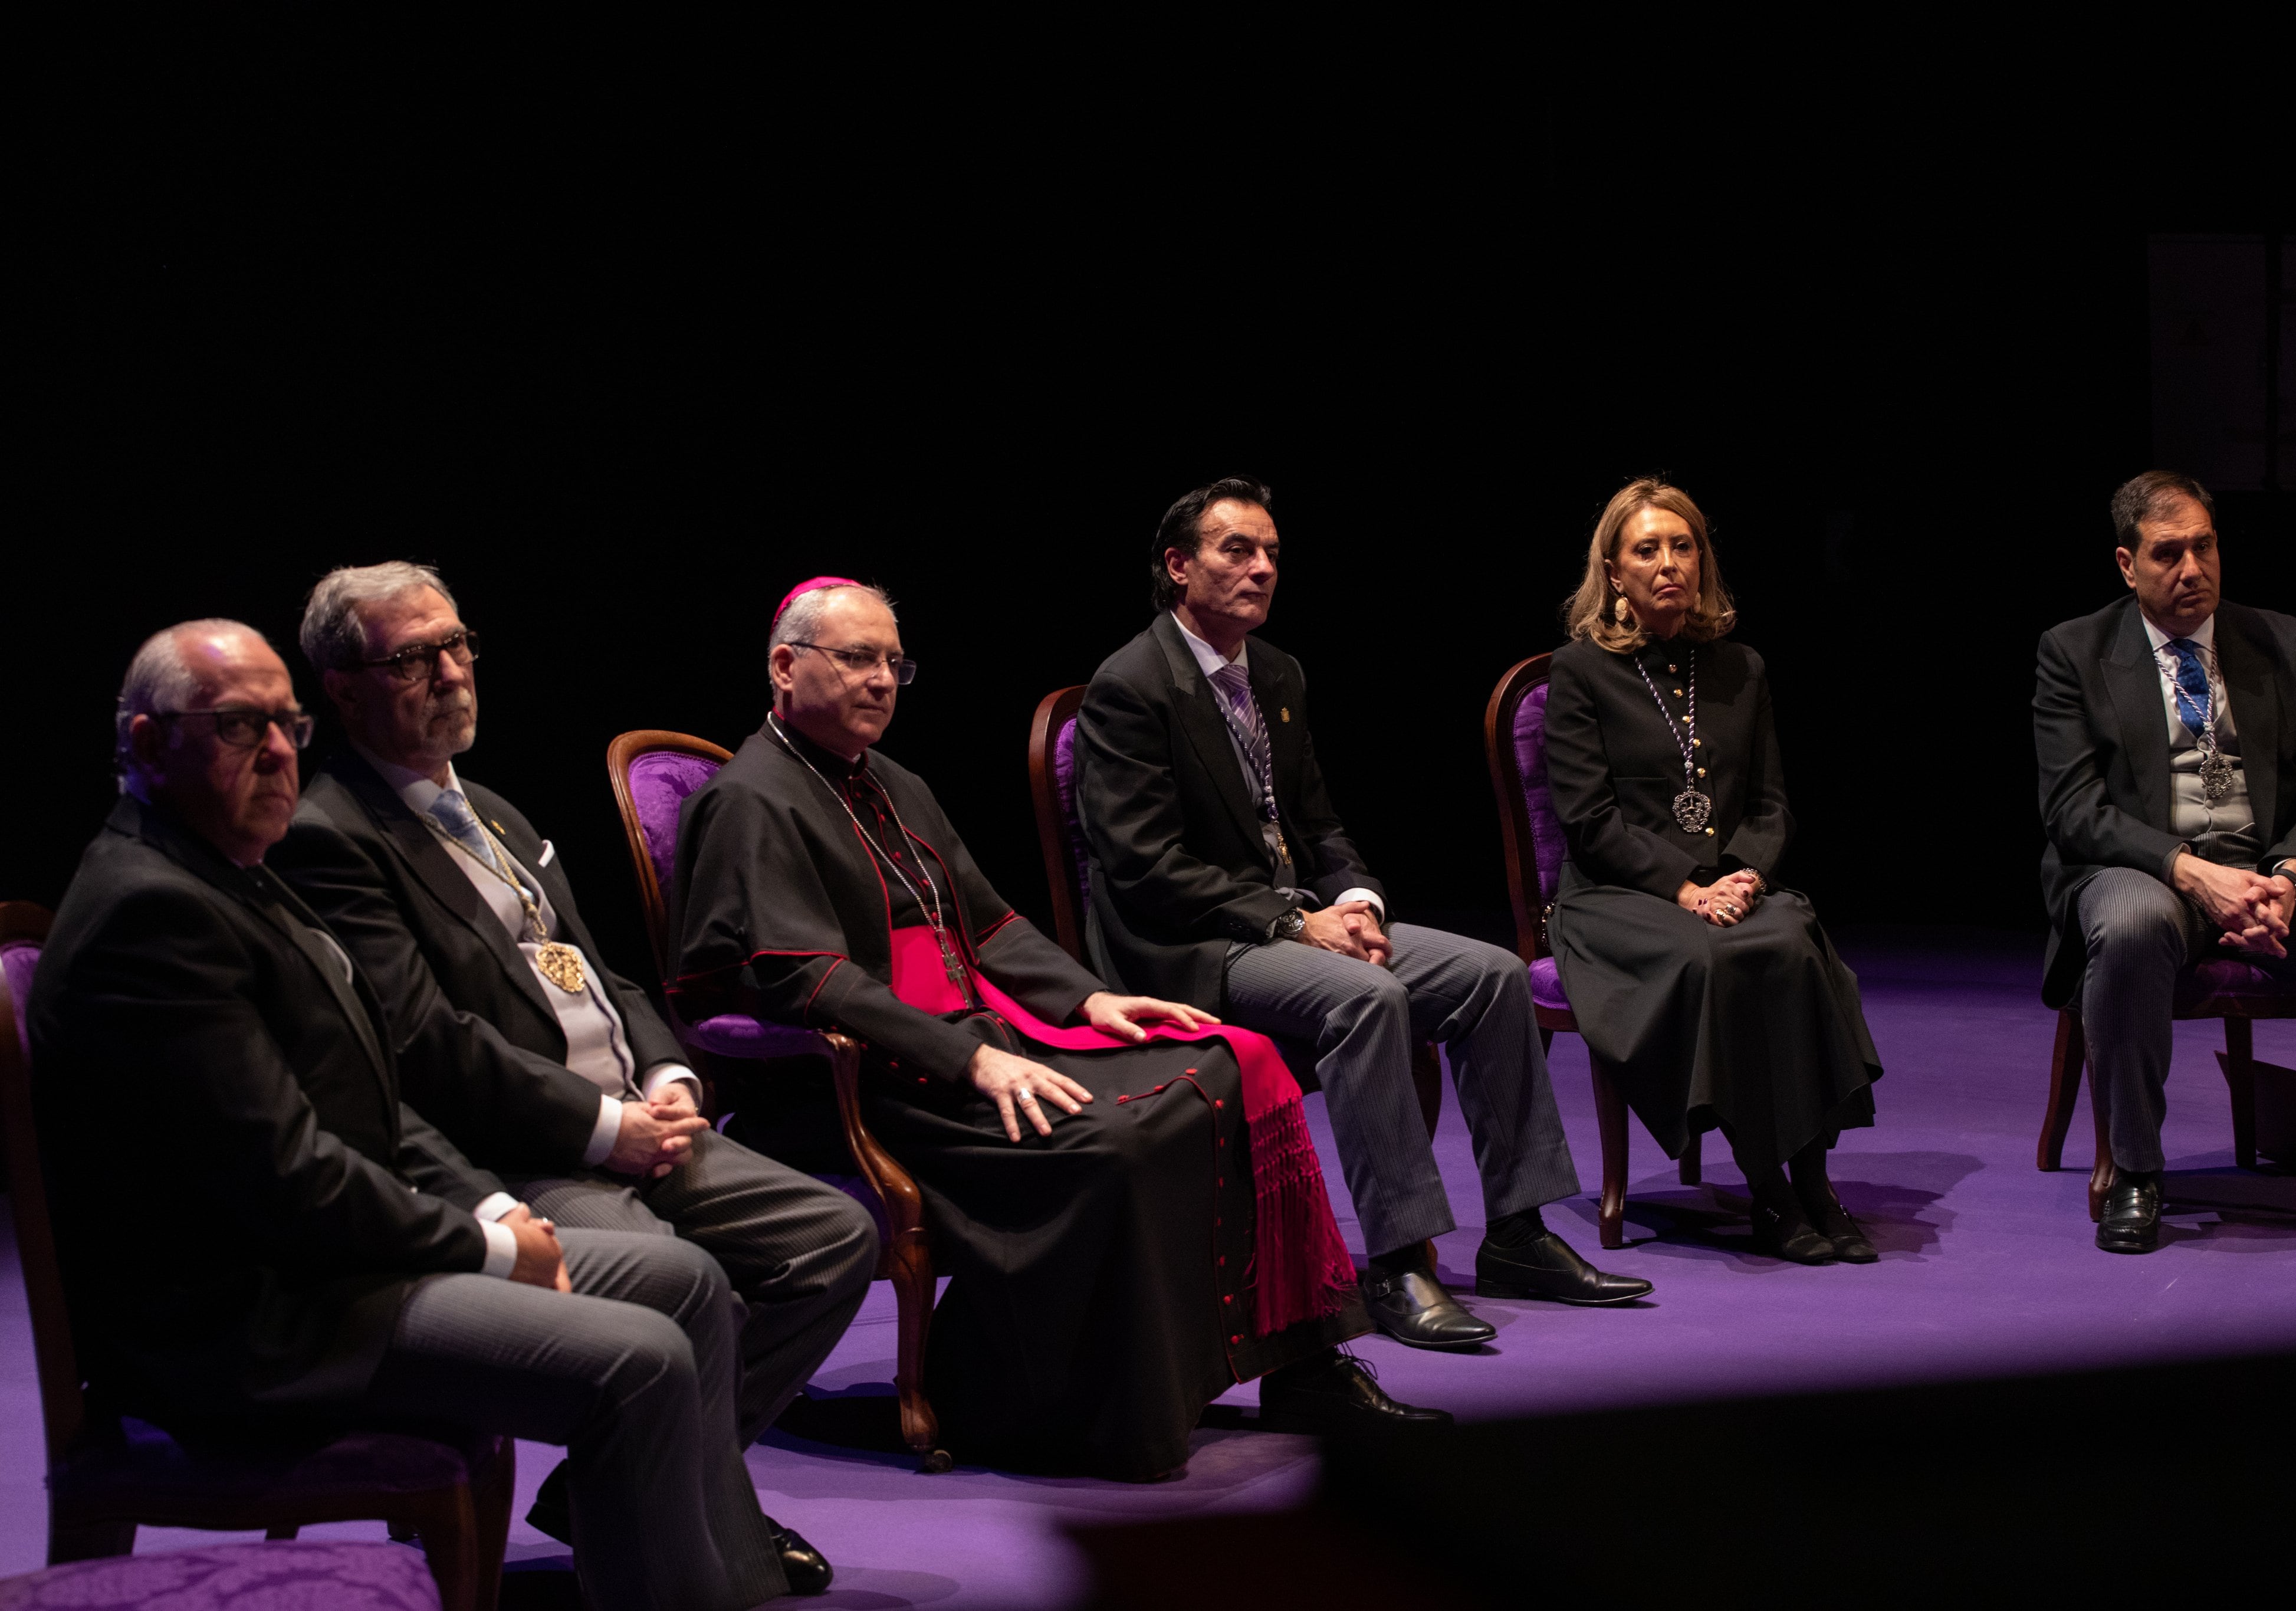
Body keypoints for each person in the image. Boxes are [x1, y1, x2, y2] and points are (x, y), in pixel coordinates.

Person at [27, 621, 795, 1611]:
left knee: (683, 1283)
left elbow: (377, 1097)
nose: (275, 751)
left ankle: (727, 1587)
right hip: (264, 1318)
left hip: (344, 1260)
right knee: (638, 1360)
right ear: (144, 744)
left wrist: (491, 1212)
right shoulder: (154, 910)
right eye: (236, 727)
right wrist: (481, 1248)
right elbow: (288, 1177)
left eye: (285, 724)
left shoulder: (231, 866)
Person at [668, 578, 1443, 1482]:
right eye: (858, 659)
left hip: (975, 1042)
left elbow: (991, 924)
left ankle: (1299, 1367)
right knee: (1116, 1141)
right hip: (868, 1085)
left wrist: (1086, 1001)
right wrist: (972, 1060)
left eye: (893, 662)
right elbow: (808, 976)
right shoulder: (751, 799)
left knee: (1227, 1072)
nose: (882, 680)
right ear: (785, 664)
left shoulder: (894, 783)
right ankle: (1083, 1409)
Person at [270, 563, 874, 1588]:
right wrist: (604, 1128)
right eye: (413, 658)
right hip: (525, 1148)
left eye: (458, 645)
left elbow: (602, 972)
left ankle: (643, 1480)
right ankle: (711, 1551)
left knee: (831, 1239)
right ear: (341, 686)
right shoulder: (332, 836)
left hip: (641, 1113)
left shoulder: (493, 811)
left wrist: (672, 1075)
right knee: (694, 1299)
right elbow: (427, 1044)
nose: (451, 673)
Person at [1076, 477, 1651, 1352]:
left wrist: (1356, 901)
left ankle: (1519, 1234)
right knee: (1366, 998)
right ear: (1177, 566)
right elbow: (1145, 868)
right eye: (1238, 549)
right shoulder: (1131, 686)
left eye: (1272, 552)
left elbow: (1316, 823)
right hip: (1188, 948)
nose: (1263, 568)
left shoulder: (1277, 673)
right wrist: (1293, 922)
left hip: (1292, 923)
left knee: (1491, 976)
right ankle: (1397, 1260)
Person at [2035, 471, 2296, 1253]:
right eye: (2168, 553)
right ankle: (2139, 1173)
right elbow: (2075, 811)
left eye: (2204, 546)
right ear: (2126, 564)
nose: (2192, 569)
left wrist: (2289, 877)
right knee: (2134, 926)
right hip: (2149, 874)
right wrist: (2191, 872)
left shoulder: (2283, 640)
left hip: (2267, 875)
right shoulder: (2073, 652)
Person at [1544, 479, 1883, 1264]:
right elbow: (1590, 821)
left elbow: (1769, 806)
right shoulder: (1581, 671)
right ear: (1615, 573)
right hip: (1617, 898)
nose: (1670, 564)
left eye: (1684, 546)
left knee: (1794, 940)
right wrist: (1688, 888)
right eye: (1647, 550)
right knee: (1716, 957)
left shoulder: (1741, 668)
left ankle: (1813, 1179)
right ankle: (1768, 1188)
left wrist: (1745, 878)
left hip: (1730, 888)